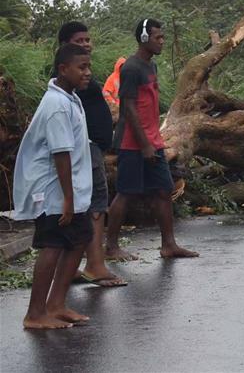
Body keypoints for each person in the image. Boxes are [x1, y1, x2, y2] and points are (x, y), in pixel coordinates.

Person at [13, 44, 94, 329]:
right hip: (53, 191)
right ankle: (35, 314)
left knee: (81, 237)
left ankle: (56, 304)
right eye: (81, 67)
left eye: (88, 66)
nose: (88, 72)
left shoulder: (70, 98)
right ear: (63, 69)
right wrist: (68, 199)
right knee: (53, 245)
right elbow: (61, 154)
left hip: (70, 190)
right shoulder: (57, 106)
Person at [105, 19, 198, 260]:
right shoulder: (131, 68)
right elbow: (128, 107)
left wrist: (153, 140)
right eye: (158, 37)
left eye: (163, 37)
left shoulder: (151, 66)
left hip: (153, 141)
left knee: (164, 190)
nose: (162, 41)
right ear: (144, 38)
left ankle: (169, 245)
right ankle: (111, 247)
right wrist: (144, 143)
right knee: (126, 192)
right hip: (132, 143)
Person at [57, 22, 126, 287]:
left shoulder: (77, 73)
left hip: (92, 146)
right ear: (65, 46)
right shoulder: (70, 77)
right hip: (86, 147)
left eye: (88, 39)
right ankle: (95, 264)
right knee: (96, 203)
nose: (86, 44)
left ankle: (72, 266)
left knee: (87, 204)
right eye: (79, 40)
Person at [102, 56, 126, 122]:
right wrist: (114, 103)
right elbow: (106, 93)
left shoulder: (126, 77)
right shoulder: (112, 78)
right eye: (121, 66)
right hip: (114, 107)